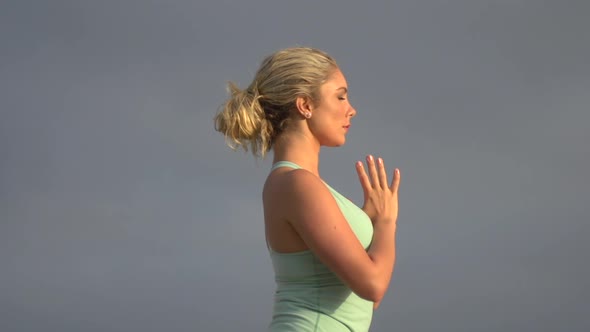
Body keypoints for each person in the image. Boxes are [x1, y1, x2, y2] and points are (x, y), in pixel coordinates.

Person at [214, 47, 401, 332]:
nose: (351, 108)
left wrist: (370, 220)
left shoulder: (295, 184)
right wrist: (386, 222)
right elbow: (373, 286)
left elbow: (360, 298)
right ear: (305, 105)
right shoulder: (298, 184)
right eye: (340, 95)